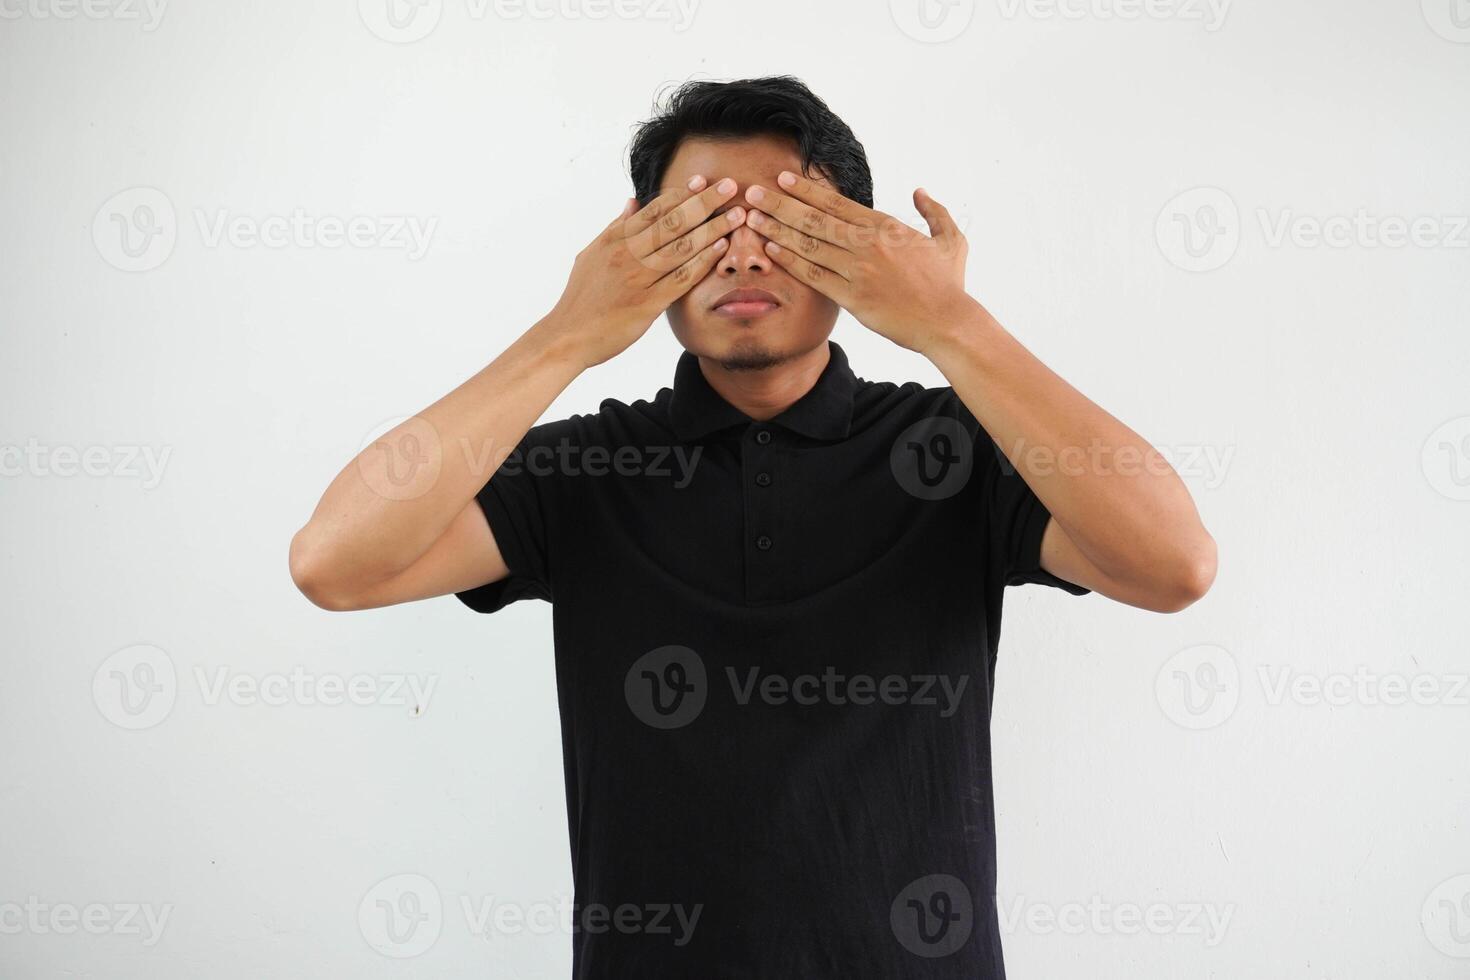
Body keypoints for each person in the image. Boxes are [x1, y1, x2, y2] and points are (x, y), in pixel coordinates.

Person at [289, 75, 1216, 978]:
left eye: (781, 225)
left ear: (857, 244)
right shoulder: (591, 469)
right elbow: (335, 565)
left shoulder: (951, 452)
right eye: (701, 227)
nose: (740, 257)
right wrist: (566, 334)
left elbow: (1175, 565)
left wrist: (952, 325)